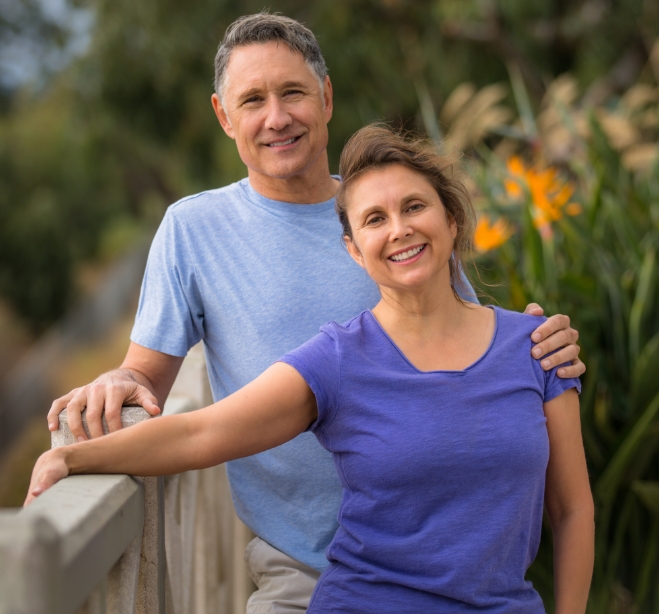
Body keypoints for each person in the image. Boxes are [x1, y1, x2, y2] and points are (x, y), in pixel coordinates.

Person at [43, 13, 586, 613]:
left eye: (293, 92)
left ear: (326, 98)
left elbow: (462, 357)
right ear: (224, 116)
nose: (276, 117)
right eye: (252, 100)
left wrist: (537, 342)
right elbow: (177, 408)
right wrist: (114, 394)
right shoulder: (196, 232)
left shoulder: (398, 227)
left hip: (460, 564)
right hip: (306, 572)